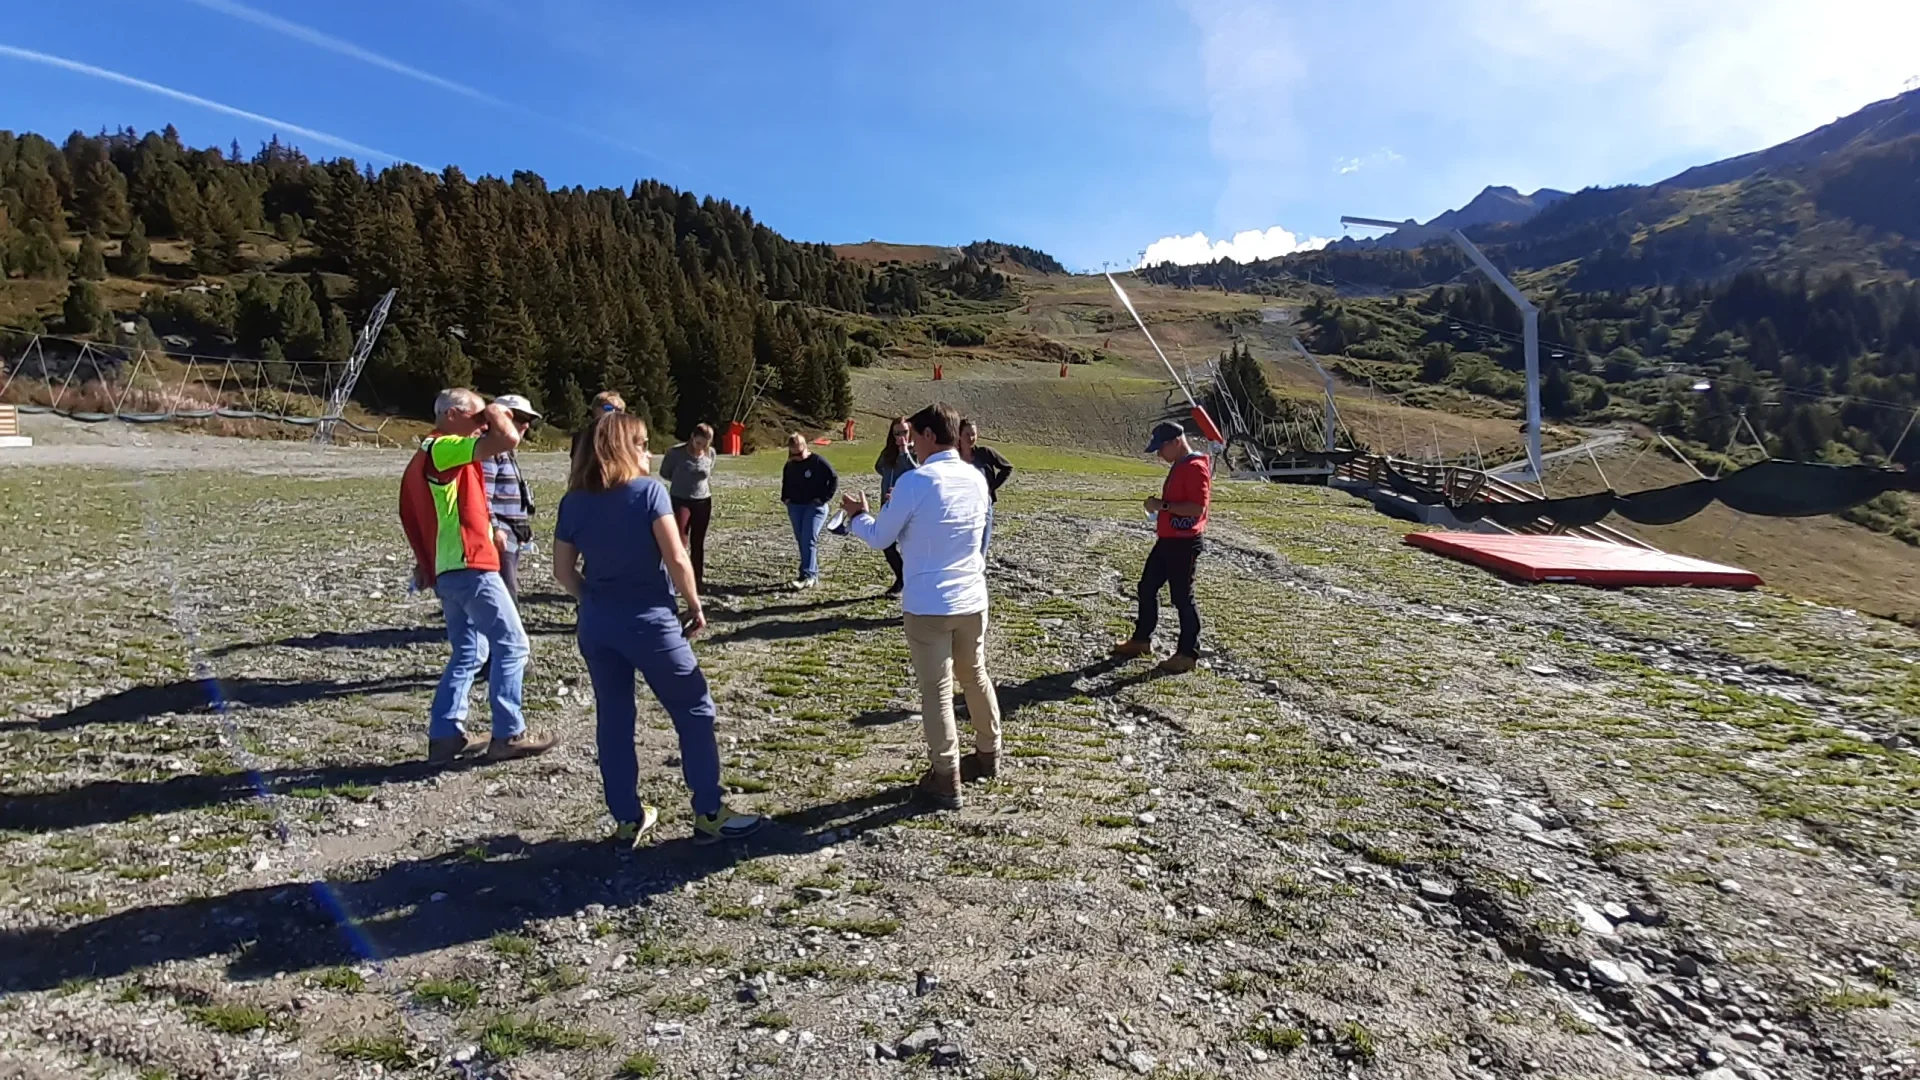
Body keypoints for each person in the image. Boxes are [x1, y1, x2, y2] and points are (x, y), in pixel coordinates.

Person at [553, 412, 765, 847]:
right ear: (622, 448)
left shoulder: (574, 500)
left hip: (597, 624)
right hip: (650, 621)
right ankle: (709, 810)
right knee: (694, 709)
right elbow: (677, 557)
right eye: (642, 443)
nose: (648, 452)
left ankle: (628, 818)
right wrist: (694, 604)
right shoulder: (649, 493)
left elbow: (563, 571)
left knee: (613, 721)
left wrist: (591, 600)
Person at [841, 402, 1002, 810]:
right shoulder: (976, 478)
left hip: (929, 602)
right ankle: (989, 752)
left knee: (937, 691)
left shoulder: (916, 481)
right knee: (976, 675)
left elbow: (880, 537)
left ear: (929, 436)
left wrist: (857, 517)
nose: (909, 442)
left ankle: (946, 777)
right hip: (971, 596)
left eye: (913, 435)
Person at [399, 388, 557, 764]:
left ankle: (445, 735)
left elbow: (428, 514)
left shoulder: (424, 457)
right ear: (453, 414)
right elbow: (507, 438)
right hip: (471, 566)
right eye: (476, 419)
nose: (481, 427)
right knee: (513, 644)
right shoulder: (445, 445)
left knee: (471, 651)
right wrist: (496, 408)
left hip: (449, 570)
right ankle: (508, 733)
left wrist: (427, 562)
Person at [1112, 420, 1212, 675]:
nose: (1159, 454)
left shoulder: (1194, 467)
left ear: (1175, 442)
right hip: (1168, 539)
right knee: (1147, 587)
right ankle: (1142, 639)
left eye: (1161, 448)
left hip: (1185, 541)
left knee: (1182, 597)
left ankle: (1188, 653)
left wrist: (1162, 506)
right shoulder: (1180, 465)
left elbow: (1197, 508)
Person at [480, 394, 541, 600]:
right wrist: (496, 529)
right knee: (505, 593)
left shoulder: (505, 451)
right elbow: (483, 495)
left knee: (507, 588)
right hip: (501, 535)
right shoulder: (490, 450)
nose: (525, 426)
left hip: (512, 533)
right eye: (520, 418)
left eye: (529, 421)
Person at [659, 423, 716, 593]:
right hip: (680, 500)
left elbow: (709, 470)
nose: (702, 447)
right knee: (679, 542)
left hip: (703, 500)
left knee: (698, 542)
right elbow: (665, 472)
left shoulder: (710, 453)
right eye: (699, 443)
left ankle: (697, 579)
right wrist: (682, 481)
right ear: (692, 437)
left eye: (706, 444)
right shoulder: (676, 453)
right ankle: (678, 580)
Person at [780, 432, 837, 589]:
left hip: (815, 507)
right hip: (796, 506)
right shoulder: (790, 464)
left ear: (805, 447)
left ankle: (809, 575)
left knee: (808, 538)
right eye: (794, 454)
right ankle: (809, 572)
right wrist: (786, 498)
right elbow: (786, 482)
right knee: (801, 539)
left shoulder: (818, 461)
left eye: (799, 453)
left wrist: (824, 498)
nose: (797, 457)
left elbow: (833, 478)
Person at [873, 416, 917, 595]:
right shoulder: (888, 452)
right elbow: (878, 466)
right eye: (897, 433)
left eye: (904, 432)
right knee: (885, 543)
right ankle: (902, 576)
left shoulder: (916, 451)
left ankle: (913, 581)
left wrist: (904, 453)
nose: (900, 436)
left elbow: (918, 472)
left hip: (908, 506)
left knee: (910, 545)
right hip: (887, 504)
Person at [957, 418, 1013, 555]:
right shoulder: (954, 457)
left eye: (973, 434)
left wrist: (991, 488)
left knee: (980, 553)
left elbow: (1007, 467)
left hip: (983, 508)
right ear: (959, 435)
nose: (971, 438)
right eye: (967, 434)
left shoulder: (985, 453)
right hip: (960, 510)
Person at [570, 390, 625, 466]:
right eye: (608, 408)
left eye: (618, 410)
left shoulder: (626, 437)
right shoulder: (582, 437)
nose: (613, 412)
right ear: (596, 410)